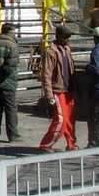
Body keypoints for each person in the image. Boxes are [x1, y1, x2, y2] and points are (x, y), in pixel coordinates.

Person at [39, 24, 78, 152]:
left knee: (70, 118)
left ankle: (71, 144)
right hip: (58, 89)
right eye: (65, 36)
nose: (67, 39)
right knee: (60, 119)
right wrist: (49, 95)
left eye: (69, 37)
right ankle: (46, 144)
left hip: (68, 88)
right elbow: (46, 74)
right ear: (58, 36)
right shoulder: (51, 51)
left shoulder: (67, 48)